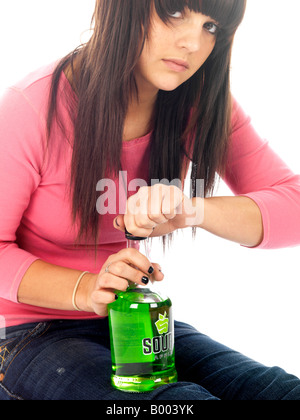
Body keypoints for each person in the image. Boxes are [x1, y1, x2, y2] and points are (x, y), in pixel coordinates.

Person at [1, 0, 300, 400]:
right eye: (175, 12)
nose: (193, 42)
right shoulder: (33, 107)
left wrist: (190, 209)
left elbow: (293, 206)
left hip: (134, 319)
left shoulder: (197, 104)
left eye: (211, 26)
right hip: (26, 335)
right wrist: (87, 288)